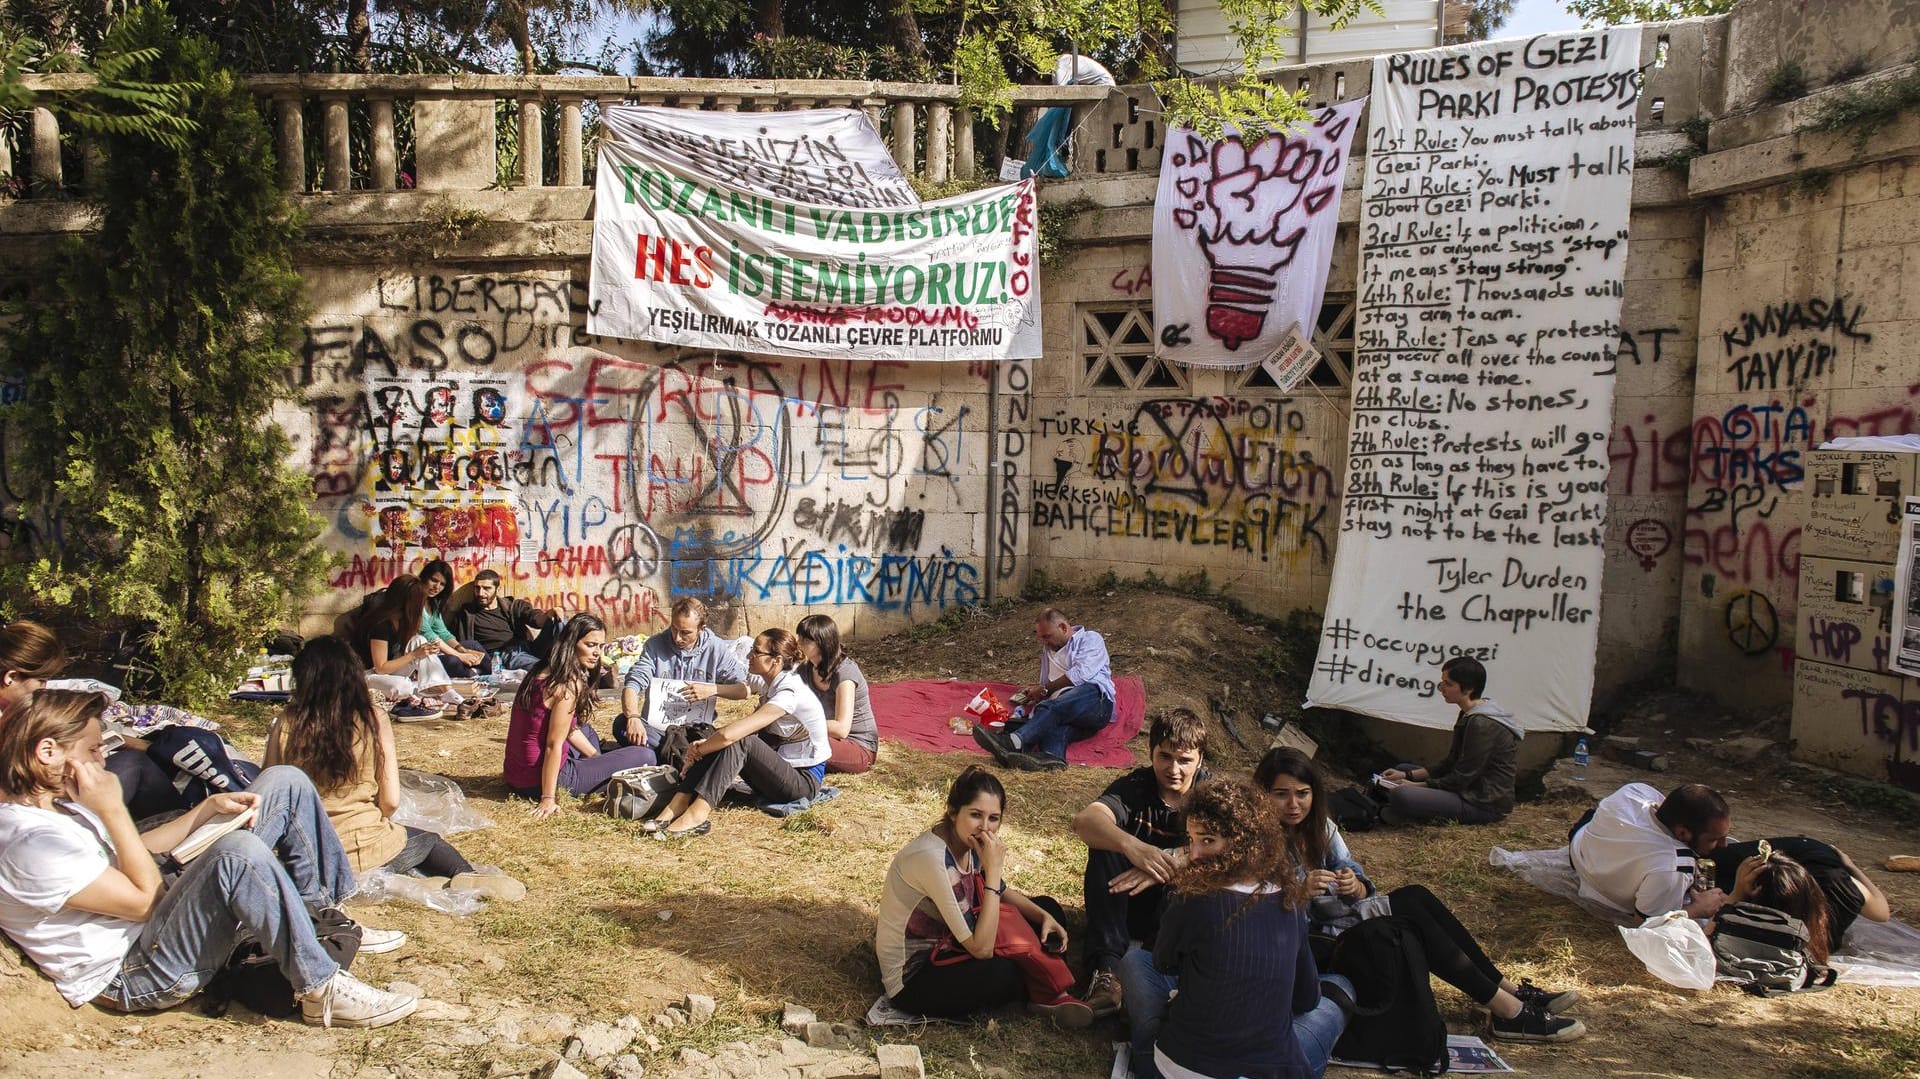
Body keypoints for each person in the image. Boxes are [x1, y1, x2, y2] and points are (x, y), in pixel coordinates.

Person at [0, 689, 416, 1027]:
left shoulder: (57, 809)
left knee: (283, 782)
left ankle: (322, 916)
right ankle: (320, 988)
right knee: (239, 854)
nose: (104, 759)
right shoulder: (28, 843)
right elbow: (146, 903)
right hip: (137, 970)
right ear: (48, 751)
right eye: (93, 750)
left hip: (153, 924)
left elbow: (136, 854)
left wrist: (205, 811)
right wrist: (110, 809)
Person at [1257, 747, 1585, 1043]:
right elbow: (1258, 917)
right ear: (1262, 796)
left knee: (1416, 896)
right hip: (1313, 942)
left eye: (1302, 793)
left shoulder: (1321, 827)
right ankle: (1508, 1011)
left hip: (1343, 919)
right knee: (1410, 910)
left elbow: (1354, 872)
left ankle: (1509, 991)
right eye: (1281, 795)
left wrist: (1356, 885)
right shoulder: (1258, 842)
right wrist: (1297, 894)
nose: (1293, 804)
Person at [1146, 777, 1351, 1079]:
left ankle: (1142, 1048)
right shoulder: (1289, 902)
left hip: (1180, 1063)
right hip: (1263, 1065)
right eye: (1192, 840)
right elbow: (1307, 999)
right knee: (1339, 992)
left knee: (1136, 965)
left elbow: (1163, 961)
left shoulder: (1191, 899)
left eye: (1207, 840)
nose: (1194, 854)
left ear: (1244, 841)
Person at [266, 637, 501, 892]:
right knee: (429, 841)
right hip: (366, 845)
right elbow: (390, 801)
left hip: (305, 853)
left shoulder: (286, 722)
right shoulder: (372, 718)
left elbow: (269, 790)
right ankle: (465, 875)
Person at [875, 766, 1091, 1025]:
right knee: (1003, 972)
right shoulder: (932, 859)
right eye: (976, 815)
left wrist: (1043, 915)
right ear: (953, 812)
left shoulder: (970, 841)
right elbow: (982, 949)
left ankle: (1051, 993)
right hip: (916, 977)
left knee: (1048, 908)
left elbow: (1001, 891)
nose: (985, 827)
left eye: (994, 818)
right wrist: (994, 868)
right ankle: (1045, 991)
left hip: (956, 943)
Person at [0, 621, 251, 821]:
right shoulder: (14, 714)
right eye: (41, 680)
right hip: (31, 805)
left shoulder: (19, 706)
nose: (44, 687)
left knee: (139, 758)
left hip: (45, 789)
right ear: (11, 677)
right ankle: (180, 829)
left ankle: (181, 824)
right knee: (135, 765)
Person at [1073, 709, 1207, 1023]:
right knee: (1105, 846)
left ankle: (1155, 976)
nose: (1173, 769)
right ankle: (1106, 976)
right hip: (1124, 903)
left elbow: (1239, 846)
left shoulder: (1210, 794)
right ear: (1151, 754)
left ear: (1200, 760)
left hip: (1178, 914)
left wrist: (1172, 859)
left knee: (1202, 867)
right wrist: (1134, 848)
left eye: (1184, 760)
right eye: (1165, 757)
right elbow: (1084, 821)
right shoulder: (1134, 787)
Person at [642, 628, 829, 840]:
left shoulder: (789, 692)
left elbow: (731, 736)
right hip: (780, 766)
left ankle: (698, 814)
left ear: (775, 660)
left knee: (737, 739)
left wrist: (697, 750)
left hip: (802, 782)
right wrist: (712, 691)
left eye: (756, 652)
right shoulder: (770, 677)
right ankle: (679, 802)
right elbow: (743, 689)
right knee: (718, 736)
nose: (749, 655)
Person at [505, 614, 655, 817]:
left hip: (515, 775)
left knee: (585, 730)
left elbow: (568, 729)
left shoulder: (540, 671)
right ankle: (592, 772)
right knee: (645, 755)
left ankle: (595, 764)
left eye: (600, 647)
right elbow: (553, 744)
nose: (596, 653)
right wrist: (548, 798)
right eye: (591, 645)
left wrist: (596, 759)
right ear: (572, 643)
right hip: (543, 779)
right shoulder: (566, 684)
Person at [1377, 657, 1518, 824]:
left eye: (1448, 684)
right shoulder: (1469, 714)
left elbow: (1461, 778)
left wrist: (1414, 786)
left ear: (1468, 689)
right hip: (1466, 787)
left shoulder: (1482, 724)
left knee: (1402, 795)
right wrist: (1407, 775)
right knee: (1402, 769)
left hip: (1481, 801)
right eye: (1442, 682)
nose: (1442, 689)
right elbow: (1451, 762)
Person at [972, 607, 1114, 772]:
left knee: (1057, 706)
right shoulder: (1048, 652)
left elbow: (1081, 675)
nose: (1045, 642)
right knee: (1053, 720)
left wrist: (1045, 689)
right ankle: (1051, 757)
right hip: (1067, 711)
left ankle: (1015, 742)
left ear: (1063, 627)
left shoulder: (1090, 639)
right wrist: (1037, 694)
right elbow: (1047, 687)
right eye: (1041, 638)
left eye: (1047, 636)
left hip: (1095, 704)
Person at [1570, 781, 1731, 919]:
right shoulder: (1673, 866)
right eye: (1714, 839)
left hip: (1581, 848)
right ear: (1682, 833)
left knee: (1593, 814)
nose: (1724, 844)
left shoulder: (1635, 791)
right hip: (1593, 876)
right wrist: (1697, 909)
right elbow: (1645, 925)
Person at [1712, 836, 1890, 954]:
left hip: (1810, 861)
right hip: (1813, 855)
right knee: (1713, 859)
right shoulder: (1845, 890)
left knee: (1716, 865)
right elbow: (1882, 912)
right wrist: (1851, 866)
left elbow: (1707, 941)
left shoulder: (1763, 923)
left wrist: (1736, 893)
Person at [614, 597, 748, 750]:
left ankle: (671, 753)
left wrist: (713, 690)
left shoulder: (716, 648)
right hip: (657, 730)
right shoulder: (655, 645)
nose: (677, 638)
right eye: (674, 628)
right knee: (621, 724)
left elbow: (744, 690)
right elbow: (633, 683)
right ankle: (681, 754)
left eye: (685, 633)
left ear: (701, 628)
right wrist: (633, 717)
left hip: (695, 731)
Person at [350, 574, 457, 717]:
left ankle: (448, 692)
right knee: (403, 686)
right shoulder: (381, 624)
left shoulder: (405, 620)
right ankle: (421, 691)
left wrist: (423, 652)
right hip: (368, 676)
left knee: (419, 640)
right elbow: (380, 668)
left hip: (391, 673)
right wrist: (414, 655)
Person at [795, 614, 880, 775]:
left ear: (822, 643)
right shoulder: (805, 670)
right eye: (799, 638)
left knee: (799, 740)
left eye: (805, 640)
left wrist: (799, 725)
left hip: (859, 748)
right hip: (828, 739)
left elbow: (841, 729)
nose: (799, 644)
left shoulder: (845, 672)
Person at [455, 569, 557, 672]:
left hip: (527, 648)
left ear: (497, 589)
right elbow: (452, 639)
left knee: (560, 623)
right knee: (545, 668)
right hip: (503, 656)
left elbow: (534, 618)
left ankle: (565, 661)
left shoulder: (511, 606)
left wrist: (548, 615)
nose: (481, 593)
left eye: (487, 588)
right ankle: (552, 669)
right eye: (477, 588)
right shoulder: (467, 614)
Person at [419, 559, 486, 678]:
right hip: (417, 654)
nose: (437, 587)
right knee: (453, 661)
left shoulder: (433, 603)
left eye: (442, 584)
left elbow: (443, 633)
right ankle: (473, 675)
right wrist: (459, 656)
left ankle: (484, 676)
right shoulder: (414, 602)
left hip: (434, 650)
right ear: (424, 577)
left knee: (473, 645)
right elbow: (430, 636)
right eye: (434, 580)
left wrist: (462, 650)